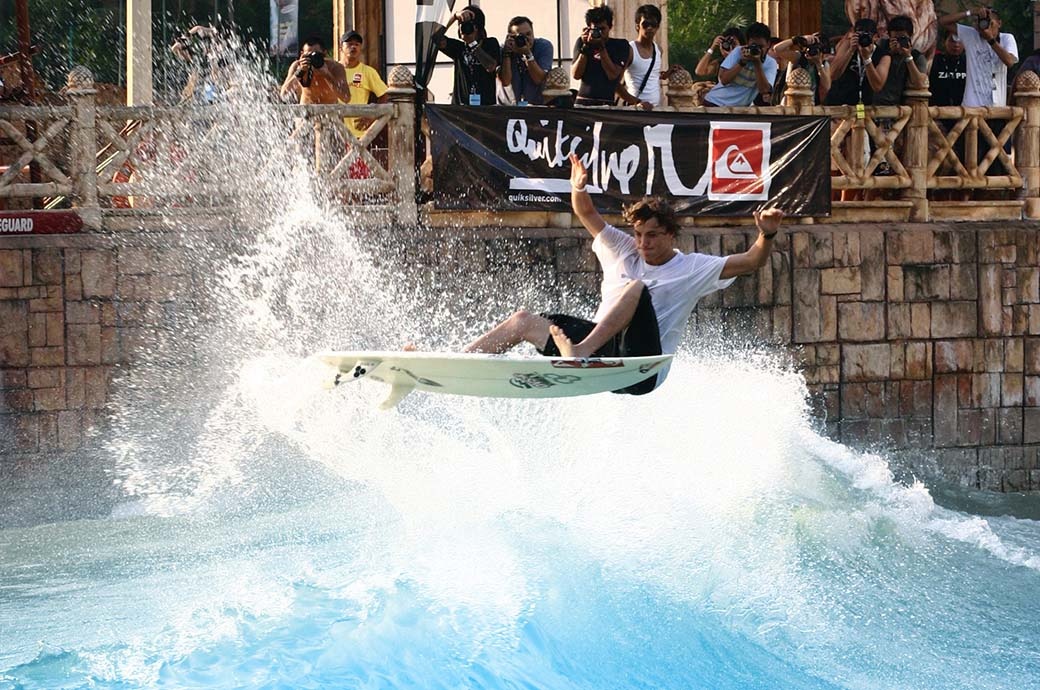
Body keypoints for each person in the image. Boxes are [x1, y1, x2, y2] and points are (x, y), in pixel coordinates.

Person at [463, 153, 785, 395]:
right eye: (639, 234)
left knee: (636, 289)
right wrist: (578, 187)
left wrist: (767, 235)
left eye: (653, 235)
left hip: (643, 370)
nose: (643, 243)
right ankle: (458, 361)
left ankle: (580, 353)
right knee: (522, 321)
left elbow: (751, 261)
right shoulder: (622, 247)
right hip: (602, 357)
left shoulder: (692, 267)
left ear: (671, 234)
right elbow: (586, 212)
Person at [939, 6, 1018, 107]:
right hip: (971, 107)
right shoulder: (971, 34)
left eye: (991, 23)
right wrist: (970, 12)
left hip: (997, 108)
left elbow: (1009, 61)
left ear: (999, 23)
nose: (985, 27)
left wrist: (990, 39)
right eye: (980, 22)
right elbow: (942, 22)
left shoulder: (1006, 38)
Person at [616, 4, 679, 110]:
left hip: (656, 109)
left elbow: (649, 74)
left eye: (653, 24)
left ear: (658, 27)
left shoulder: (658, 50)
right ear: (637, 26)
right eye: (645, 24)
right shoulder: (630, 50)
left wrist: (667, 73)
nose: (649, 28)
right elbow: (615, 84)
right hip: (636, 109)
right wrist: (637, 102)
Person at [436, 5, 501, 106]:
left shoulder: (490, 43)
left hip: (485, 109)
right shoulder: (459, 47)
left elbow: (490, 66)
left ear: (477, 27)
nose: (463, 28)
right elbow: (435, 37)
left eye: (468, 25)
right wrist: (454, 16)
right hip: (460, 108)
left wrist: (472, 43)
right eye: (461, 24)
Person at [702, 22, 778, 108]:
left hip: (737, 110)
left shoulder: (770, 63)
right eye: (753, 46)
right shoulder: (738, 52)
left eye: (761, 47)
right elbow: (723, 80)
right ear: (747, 42)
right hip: (715, 102)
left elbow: (764, 90)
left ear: (768, 44)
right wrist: (741, 62)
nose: (757, 50)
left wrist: (757, 64)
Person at [572, 5, 631, 107]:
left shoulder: (620, 45)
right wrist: (585, 47)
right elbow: (576, 75)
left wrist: (601, 48)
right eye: (595, 29)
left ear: (610, 27)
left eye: (602, 29)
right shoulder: (582, 43)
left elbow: (612, 75)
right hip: (583, 102)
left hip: (606, 103)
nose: (599, 33)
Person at [338, 30, 388, 139]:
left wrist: (372, 116)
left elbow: (384, 95)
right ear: (340, 48)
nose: (353, 47)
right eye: (350, 44)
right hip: (335, 131)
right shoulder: (332, 70)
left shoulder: (368, 71)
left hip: (359, 134)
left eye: (357, 44)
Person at [869, 15, 927, 106]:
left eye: (903, 38)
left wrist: (908, 57)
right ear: (889, 35)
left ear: (910, 35)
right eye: (895, 38)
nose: (899, 42)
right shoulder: (880, 49)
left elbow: (919, 83)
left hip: (901, 107)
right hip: (874, 103)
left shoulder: (917, 57)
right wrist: (888, 54)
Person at [279, 36, 352, 105]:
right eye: (309, 56)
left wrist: (327, 75)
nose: (313, 59)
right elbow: (284, 95)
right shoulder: (297, 66)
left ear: (324, 53)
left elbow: (346, 98)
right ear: (302, 55)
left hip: (330, 112)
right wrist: (300, 72)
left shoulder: (335, 67)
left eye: (317, 55)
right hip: (308, 112)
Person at [824, 18, 880, 106]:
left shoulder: (880, 53)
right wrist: (851, 50)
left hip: (865, 103)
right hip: (840, 101)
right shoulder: (848, 45)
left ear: (876, 37)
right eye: (859, 34)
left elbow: (877, 86)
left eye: (867, 35)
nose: (863, 38)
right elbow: (833, 75)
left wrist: (866, 58)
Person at [499, 16, 553, 105]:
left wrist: (528, 55)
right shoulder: (505, 48)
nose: (526, 39)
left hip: (536, 105)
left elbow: (539, 79)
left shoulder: (543, 46)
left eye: (528, 34)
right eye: (521, 36)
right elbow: (506, 81)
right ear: (511, 37)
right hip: (510, 106)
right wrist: (507, 54)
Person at [771, 31, 832, 104]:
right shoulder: (798, 57)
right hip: (790, 101)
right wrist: (797, 39)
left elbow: (827, 86)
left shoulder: (823, 64)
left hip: (809, 103)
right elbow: (777, 49)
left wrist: (818, 64)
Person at [929, 31, 967, 107]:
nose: (956, 45)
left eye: (960, 41)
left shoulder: (969, 62)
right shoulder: (934, 60)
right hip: (937, 110)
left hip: (964, 110)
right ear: (944, 42)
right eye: (952, 41)